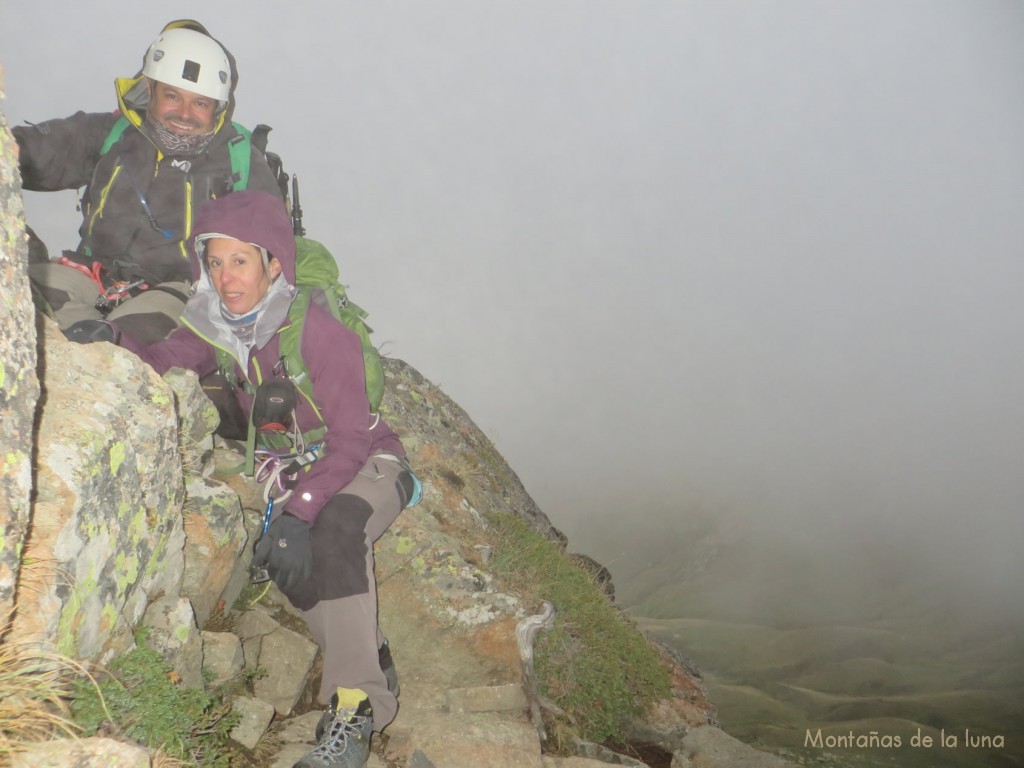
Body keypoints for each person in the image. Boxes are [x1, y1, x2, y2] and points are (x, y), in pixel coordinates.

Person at [67, 189, 417, 768]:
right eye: (216, 260)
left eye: (242, 261)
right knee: (283, 560)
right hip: (294, 467)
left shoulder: (319, 331)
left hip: (372, 462)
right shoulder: (215, 325)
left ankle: (356, 711)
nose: (227, 278)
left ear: (273, 263)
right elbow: (166, 358)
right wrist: (114, 342)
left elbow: (353, 438)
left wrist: (300, 510)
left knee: (334, 529)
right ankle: (369, 653)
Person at [15, 20, 284, 343]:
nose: (184, 113)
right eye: (172, 95)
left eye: (200, 102)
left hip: (179, 289)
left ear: (218, 109)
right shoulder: (110, 135)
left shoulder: (239, 161)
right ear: (149, 89)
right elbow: (28, 151)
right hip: (91, 273)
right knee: (18, 298)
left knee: (133, 340)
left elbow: (273, 250)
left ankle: (97, 346)